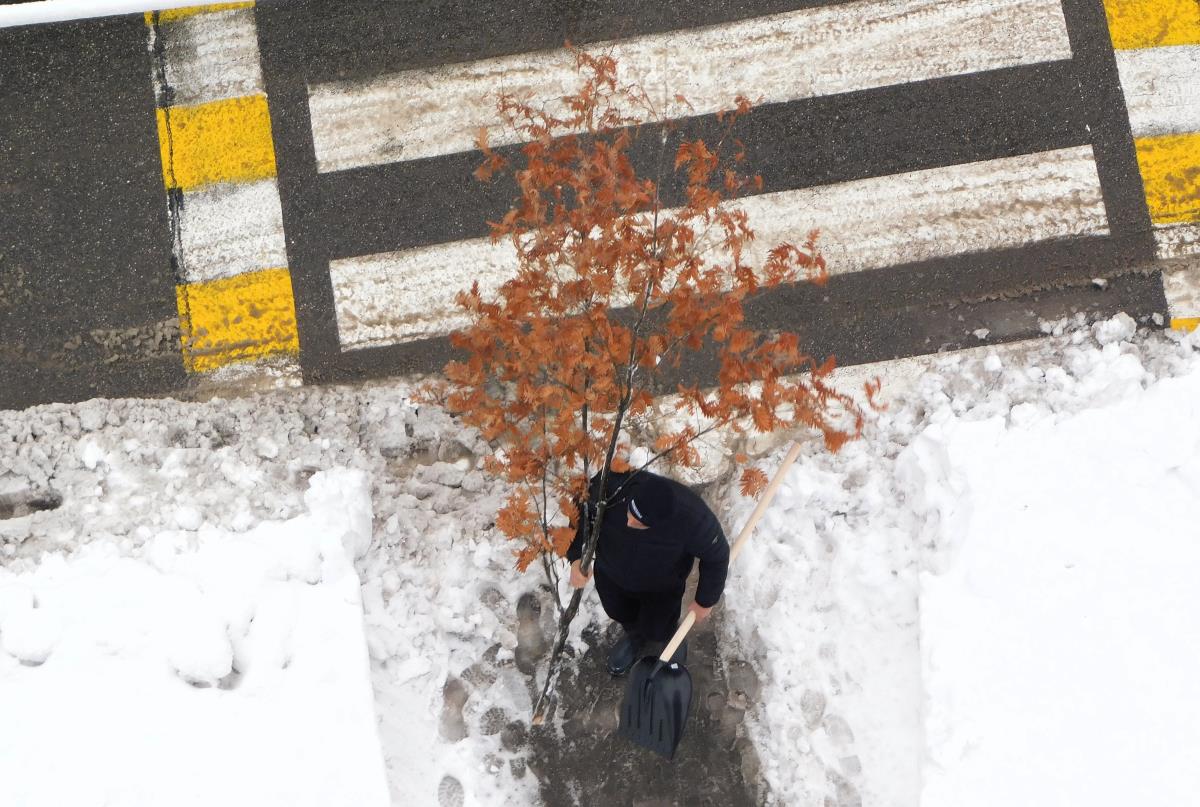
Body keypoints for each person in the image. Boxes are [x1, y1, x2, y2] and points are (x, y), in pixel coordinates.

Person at [566, 469, 730, 676]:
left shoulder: (693, 518)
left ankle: (669, 636)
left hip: (661, 586)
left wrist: (705, 600)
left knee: (658, 626)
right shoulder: (612, 487)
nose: (629, 522)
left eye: (639, 523)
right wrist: (575, 556)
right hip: (611, 574)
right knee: (618, 612)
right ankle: (635, 638)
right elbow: (580, 512)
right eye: (630, 513)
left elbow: (717, 556)